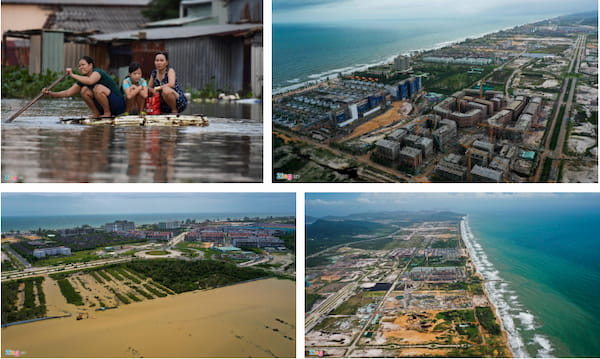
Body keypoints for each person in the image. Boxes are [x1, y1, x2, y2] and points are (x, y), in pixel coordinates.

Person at [43, 56, 125, 118]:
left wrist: (72, 75)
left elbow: (90, 81)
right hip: (103, 107)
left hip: (118, 104)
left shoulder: (97, 72)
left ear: (90, 65)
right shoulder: (83, 80)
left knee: (98, 88)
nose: (81, 67)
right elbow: (67, 93)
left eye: (83, 65)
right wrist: (50, 93)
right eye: (79, 66)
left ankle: (107, 113)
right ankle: (96, 113)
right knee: (84, 90)